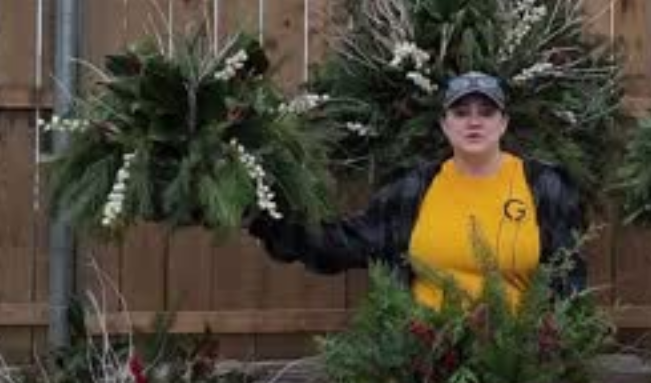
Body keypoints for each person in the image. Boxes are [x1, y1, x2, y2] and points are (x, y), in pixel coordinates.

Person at [248, 72, 586, 304]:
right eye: (460, 111)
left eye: (486, 111)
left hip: (515, 365)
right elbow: (346, 243)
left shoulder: (545, 186)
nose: (473, 121)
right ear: (444, 123)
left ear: (504, 123)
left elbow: (569, 280)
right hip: (424, 358)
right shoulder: (413, 189)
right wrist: (267, 216)